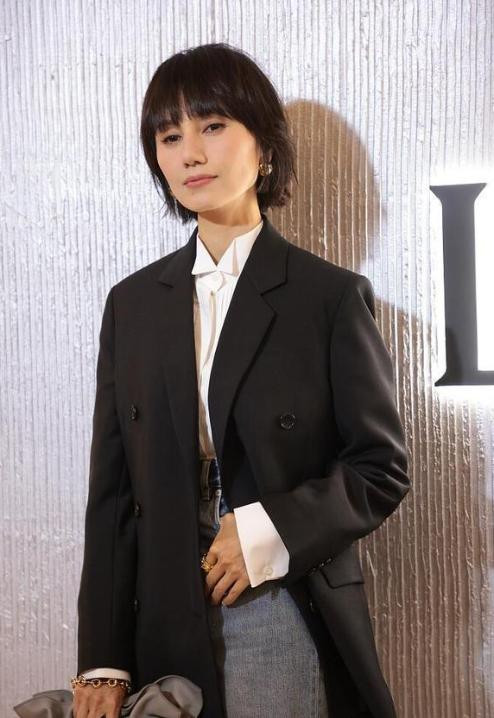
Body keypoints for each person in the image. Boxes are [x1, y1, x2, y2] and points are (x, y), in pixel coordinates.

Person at [73, 42, 410, 718]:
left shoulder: (327, 297)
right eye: (170, 137)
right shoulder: (132, 304)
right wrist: (102, 660)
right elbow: (113, 495)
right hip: (160, 612)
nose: (190, 153)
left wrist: (266, 530)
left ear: (264, 146)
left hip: (277, 596)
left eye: (213, 125)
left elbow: (380, 468)